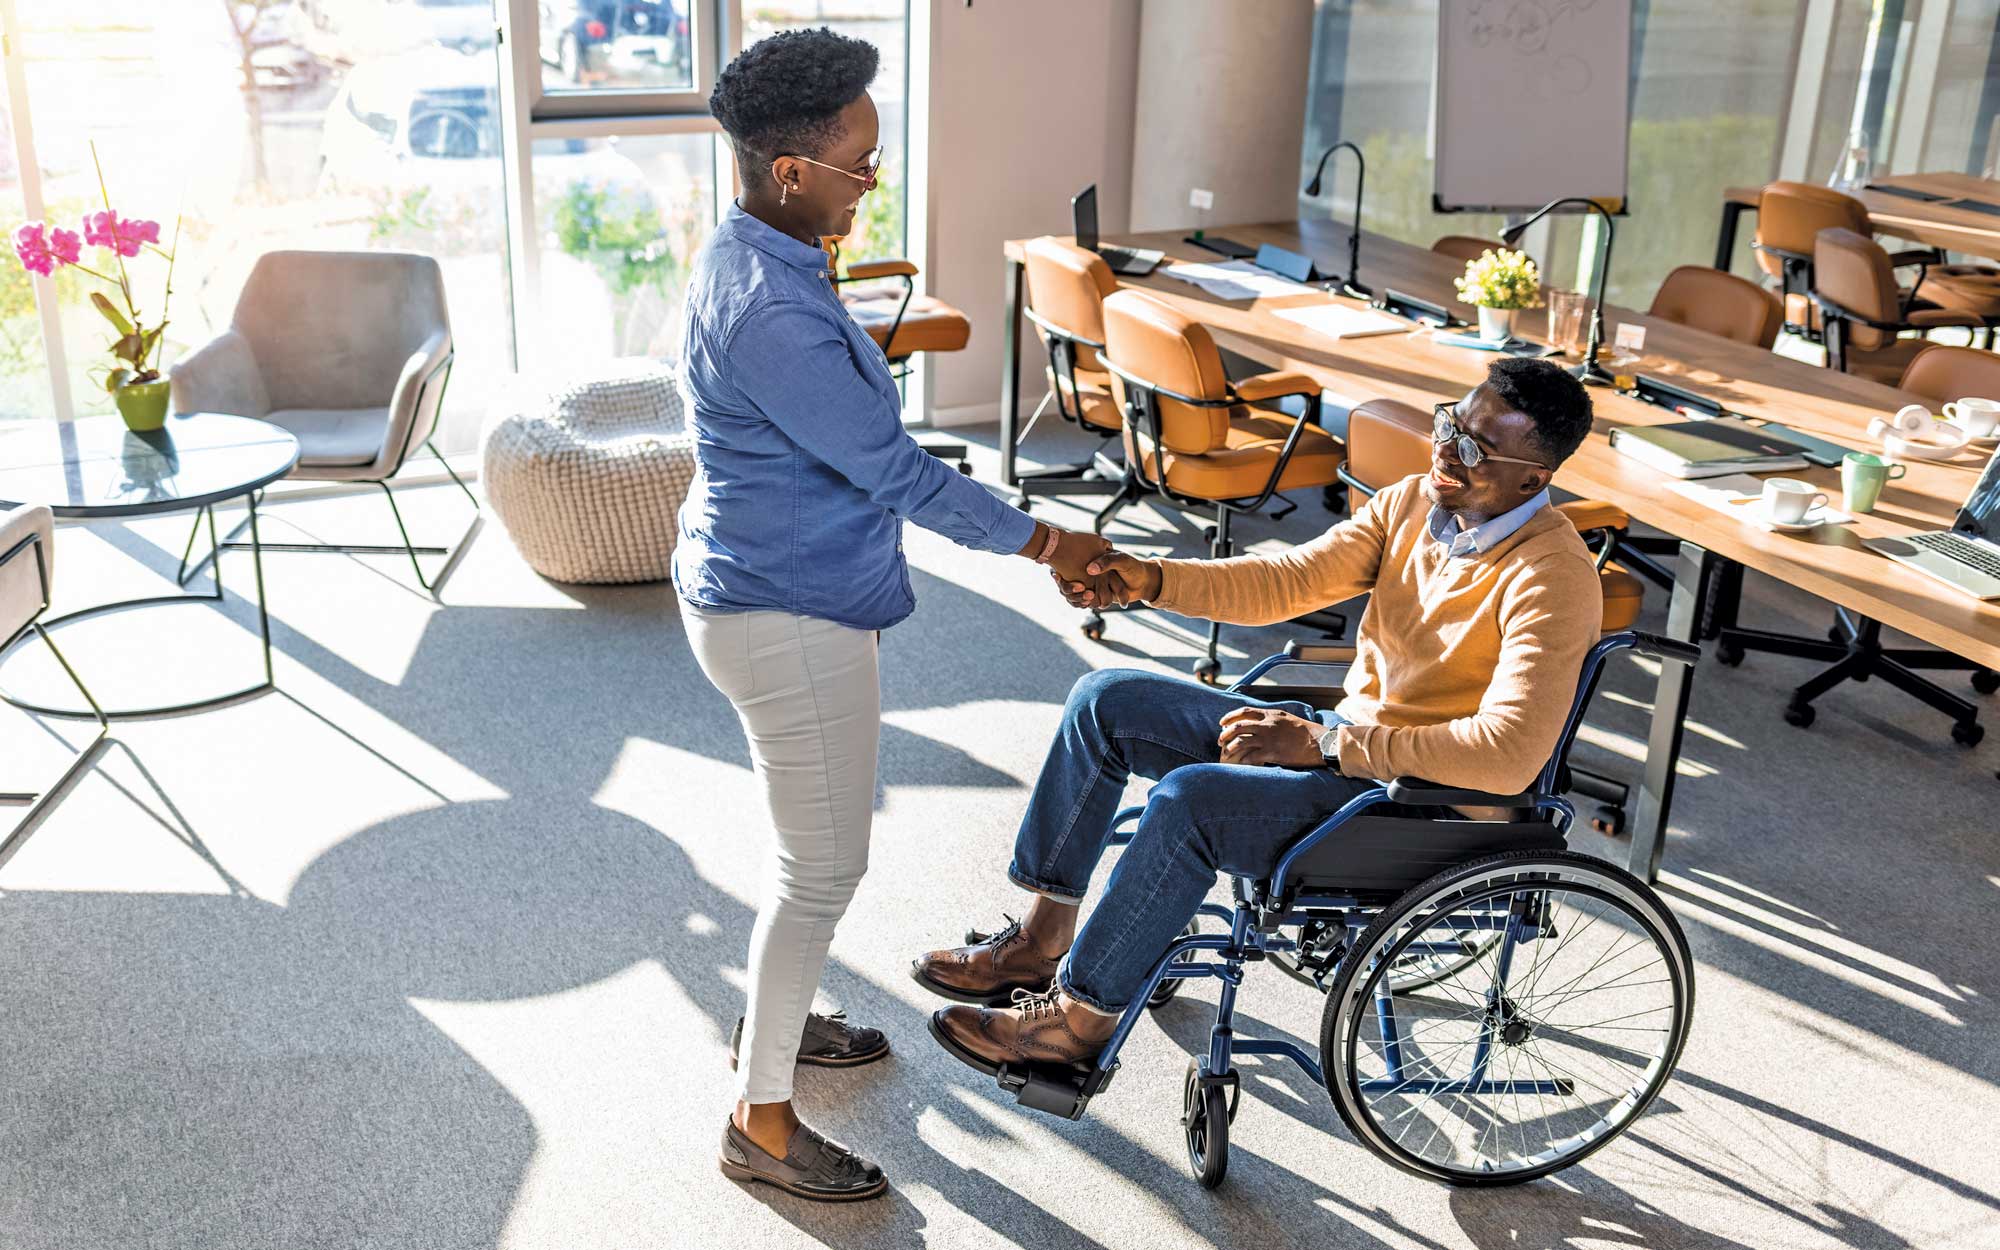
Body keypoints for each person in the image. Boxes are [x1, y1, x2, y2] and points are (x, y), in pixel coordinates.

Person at [680, 29, 1112, 1202]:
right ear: (788, 170)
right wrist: (1048, 539)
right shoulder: (773, 306)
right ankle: (760, 1119)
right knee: (821, 868)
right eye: (859, 165)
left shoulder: (754, 246)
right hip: (785, 612)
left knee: (800, 853)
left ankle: (777, 1019)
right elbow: (896, 473)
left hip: (764, 582)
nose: (872, 183)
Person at [911, 358, 1604, 1074]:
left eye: (1472, 452)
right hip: (1346, 754)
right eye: (1449, 426)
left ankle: (1076, 1024)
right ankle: (1040, 940)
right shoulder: (1410, 505)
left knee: (1190, 802)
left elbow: (1507, 754)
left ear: (1534, 479)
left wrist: (1326, 744)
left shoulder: (1552, 576)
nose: (1444, 452)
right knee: (1106, 700)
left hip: (1419, 807)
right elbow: (1289, 581)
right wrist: (1152, 579)